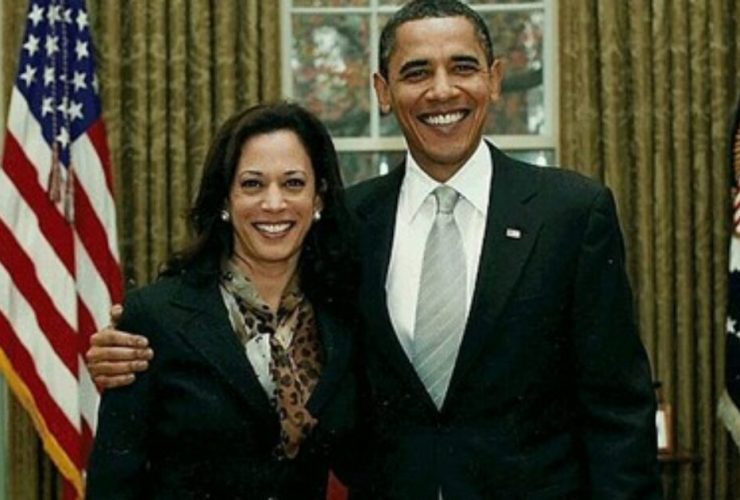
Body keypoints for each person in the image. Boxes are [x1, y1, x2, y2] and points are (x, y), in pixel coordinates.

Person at [87, 1, 662, 498]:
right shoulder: (349, 223)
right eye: (416, 72)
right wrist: (126, 342)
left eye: (462, 67)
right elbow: (248, 310)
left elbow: (617, 410)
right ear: (384, 92)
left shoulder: (571, 213)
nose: (442, 90)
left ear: (495, 78)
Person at [86, 102, 357, 499]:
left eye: (293, 183)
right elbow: (113, 483)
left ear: (318, 199)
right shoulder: (155, 316)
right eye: (253, 184)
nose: (274, 203)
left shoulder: (342, 316)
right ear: (225, 201)